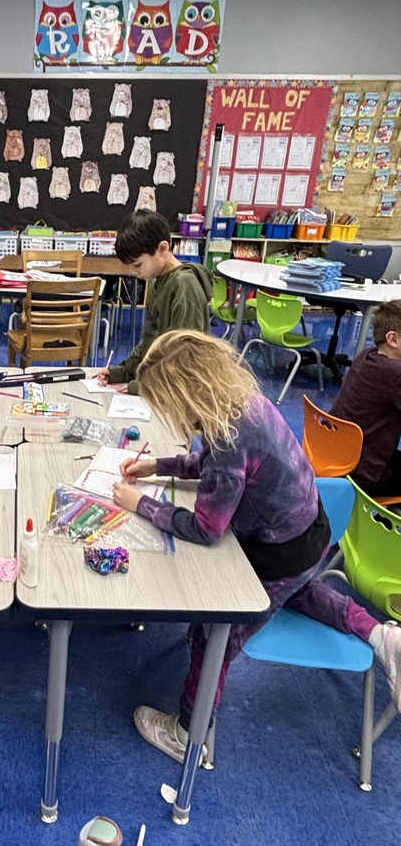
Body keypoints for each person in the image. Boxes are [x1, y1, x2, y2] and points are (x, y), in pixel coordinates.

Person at [110, 329, 401, 763]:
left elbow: (208, 529)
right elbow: (212, 464)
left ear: (185, 394)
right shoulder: (240, 401)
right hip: (311, 534)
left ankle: (189, 734)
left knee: (215, 635)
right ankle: (382, 635)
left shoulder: (227, 436)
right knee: (299, 592)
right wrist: (159, 465)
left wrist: (142, 505)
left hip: (276, 554)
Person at [96, 210, 212, 394]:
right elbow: (150, 341)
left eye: (138, 265)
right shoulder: (158, 281)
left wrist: (140, 387)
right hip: (161, 386)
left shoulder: (185, 287)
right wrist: (123, 372)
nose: (133, 272)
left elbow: (184, 358)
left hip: (181, 394)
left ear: (163, 249)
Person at [329, 299, 401, 498]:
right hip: (364, 474)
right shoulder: (395, 374)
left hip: (336, 456)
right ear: (393, 339)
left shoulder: (367, 355)